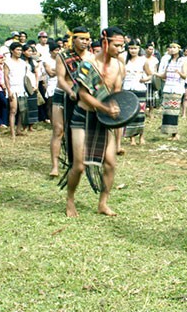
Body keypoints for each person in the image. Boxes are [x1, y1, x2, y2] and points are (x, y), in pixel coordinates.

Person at [63, 27, 125, 217]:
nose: (120, 49)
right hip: (84, 116)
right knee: (79, 166)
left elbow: (116, 93)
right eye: (117, 45)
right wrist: (106, 108)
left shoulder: (119, 66)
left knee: (110, 163)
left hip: (103, 120)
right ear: (105, 42)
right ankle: (70, 200)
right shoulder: (88, 64)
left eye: (122, 45)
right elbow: (83, 94)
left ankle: (103, 203)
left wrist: (116, 108)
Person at [50, 27, 94, 178]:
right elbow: (61, 79)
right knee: (58, 130)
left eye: (87, 39)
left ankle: (79, 161)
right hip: (63, 94)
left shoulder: (91, 57)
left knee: (80, 130)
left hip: (82, 96)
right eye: (81, 39)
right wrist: (70, 92)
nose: (85, 42)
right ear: (73, 39)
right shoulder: (63, 56)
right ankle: (55, 166)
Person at [122, 40, 151, 146]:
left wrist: (144, 79)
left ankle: (141, 136)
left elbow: (150, 74)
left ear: (139, 49)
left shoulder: (143, 60)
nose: (133, 50)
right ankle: (131, 138)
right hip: (127, 89)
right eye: (131, 48)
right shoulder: (124, 60)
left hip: (139, 89)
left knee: (140, 113)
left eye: (135, 48)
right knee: (130, 114)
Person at [157, 42, 187, 141]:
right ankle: (170, 132)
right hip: (167, 87)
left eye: (174, 47)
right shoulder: (168, 61)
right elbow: (164, 75)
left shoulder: (183, 61)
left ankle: (175, 133)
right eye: (170, 47)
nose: (172, 49)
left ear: (179, 49)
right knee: (167, 111)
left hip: (177, 88)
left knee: (174, 111)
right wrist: (154, 73)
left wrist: (179, 72)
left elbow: (185, 76)